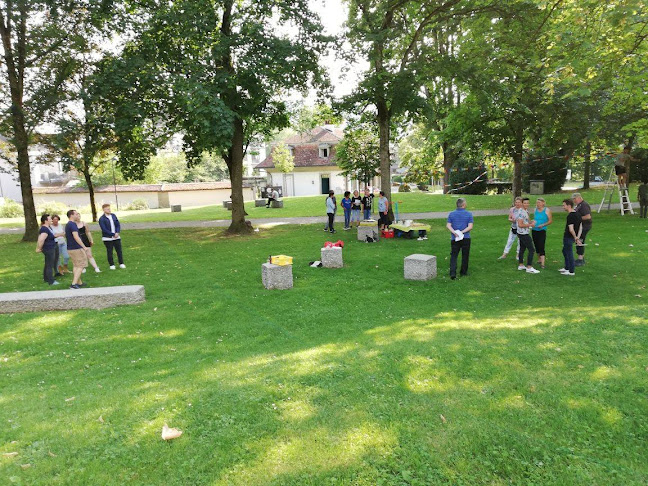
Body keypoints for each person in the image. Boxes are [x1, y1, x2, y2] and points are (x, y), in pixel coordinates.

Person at [446, 198, 474, 280]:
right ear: (463, 205)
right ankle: (463, 272)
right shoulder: (469, 214)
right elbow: (470, 227)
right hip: (466, 238)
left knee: (454, 255)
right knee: (465, 255)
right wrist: (462, 232)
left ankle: (452, 273)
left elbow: (448, 225)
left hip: (454, 238)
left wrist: (454, 232)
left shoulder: (451, 214)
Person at [65, 209, 88, 289]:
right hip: (76, 248)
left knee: (76, 265)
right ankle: (73, 284)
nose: (77, 215)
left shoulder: (68, 224)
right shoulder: (73, 224)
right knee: (81, 265)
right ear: (71, 215)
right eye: (75, 214)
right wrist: (84, 247)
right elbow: (76, 237)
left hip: (70, 248)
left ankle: (79, 282)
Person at [516, 197, 540, 274]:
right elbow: (520, 224)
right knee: (532, 250)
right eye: (525, 203)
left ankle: (521, 265)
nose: (527, 204)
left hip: (523, 233)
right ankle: (529, 267)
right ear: (522, 203)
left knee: (522, 248)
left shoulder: (525, 211)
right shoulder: (521, 212)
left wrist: (531, 221)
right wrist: (530, 225)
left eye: (528, 203)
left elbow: (526, 220)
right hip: (523, 234)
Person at [559, 198, 582, 276]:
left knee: (569, 253)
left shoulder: (570, 216)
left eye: (564, 205)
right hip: (572, 237)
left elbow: (571, 229)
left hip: (568, 237)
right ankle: (567, 267)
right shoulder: (577, 214)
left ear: (569, 206)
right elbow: (580, 227)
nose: (563, 207)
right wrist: (577, 237)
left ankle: (571, 271)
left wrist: (575, 237)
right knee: (564, 251)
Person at [98, 203, 125, 270]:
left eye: (109, 208)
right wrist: (112, 234)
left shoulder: (113, 216)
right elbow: (104, 229)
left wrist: (117, 232)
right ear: (104, 210)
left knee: (119, 250)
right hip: (107, 238)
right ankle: (111, 264)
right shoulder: (102, 219)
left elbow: (117, 224)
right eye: (107, 209)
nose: (109, 210)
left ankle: (121, 263)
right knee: (110, 251)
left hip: (117, 237)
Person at [36, 214, 60, 286]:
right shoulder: (44, 229)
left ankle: (46, 278)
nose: (51, 220)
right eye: (50, 219)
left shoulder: (48, 227)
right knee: (50, 264)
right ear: (45, 221)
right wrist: (39, 248)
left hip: (52, 247)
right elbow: (41, 239)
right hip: (49, 249)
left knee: (48, 264)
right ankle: (51, 281)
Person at [531, 198, 552, 269]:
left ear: (543, 203)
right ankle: (539, 259)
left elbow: (550, 221)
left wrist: (543, 225)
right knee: (536, 245)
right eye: (537, 203)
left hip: (542, 230)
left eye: (539, 203)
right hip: (534, 229)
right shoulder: (535, 210)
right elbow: (535, 219)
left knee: (541, 245)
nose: (538, 204)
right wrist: (532, 222)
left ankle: (543, 263)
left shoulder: (547, 210)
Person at [572, 193, 592, 266]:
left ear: (579, 198)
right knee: (578, 240)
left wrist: (577, 219)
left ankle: (580, 259)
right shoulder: (579, 205)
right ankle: (580, 258)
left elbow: (588, 216)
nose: (574, 200)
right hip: (580, 226)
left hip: (584, 226)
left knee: (579, 241)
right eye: (573, 199)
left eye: (575, 199)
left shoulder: (584, 205)